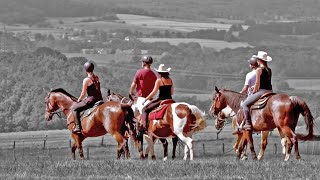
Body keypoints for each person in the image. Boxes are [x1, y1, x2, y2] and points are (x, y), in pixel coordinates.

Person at [241, 51, 273, 130]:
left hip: (261, 91)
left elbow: (258, 83)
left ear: (259, 60)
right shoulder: (269, 69)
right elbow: (265, 82)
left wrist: (254, 90)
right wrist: (254, 86)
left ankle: (248, 123)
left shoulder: (259, 70)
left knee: (244, 104)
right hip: (270, 91)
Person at [71, 61, 103, 133]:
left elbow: (83, 93)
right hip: (99, 99)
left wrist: (79, 100)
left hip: (91, 100)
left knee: (74, 108)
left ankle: (78, 127)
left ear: (85, 70)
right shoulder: (96, 77)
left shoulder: (86, 80)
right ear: (93, 69)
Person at [140, 64, 174, 130]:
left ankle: (144, 128)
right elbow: (172, 92)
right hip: (170, 99)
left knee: (144, 110)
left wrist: (146, 99)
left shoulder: (159, 80)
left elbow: (153, 92)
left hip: (161, 100)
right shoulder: (170, 80)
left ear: (159, 73)